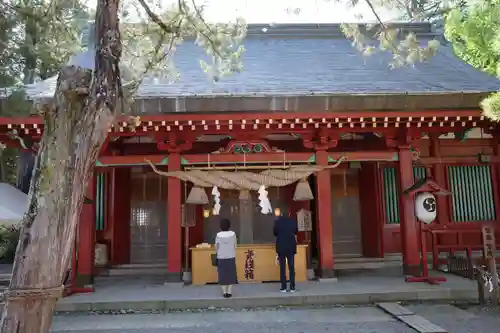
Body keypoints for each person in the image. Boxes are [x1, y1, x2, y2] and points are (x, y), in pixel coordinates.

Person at [273, 212, 298, 292]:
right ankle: (292, 287)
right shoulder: (293, 221)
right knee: (291, 267)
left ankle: (283, 287)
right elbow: (296, 231)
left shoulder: (277, 222)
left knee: (282, 268)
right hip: (291, 246)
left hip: (281, 246)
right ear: (289, 214)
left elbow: (275, 233)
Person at [215, 218, 237, 298]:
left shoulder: (218, 235)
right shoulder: (233, 234)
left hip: (221, 257)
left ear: (221, 226)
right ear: (229, 226)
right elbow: (235, 245)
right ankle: (229, 292)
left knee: (222, 275)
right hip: (231, 256)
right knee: (231, 275)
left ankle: (224, 292)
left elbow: (216, 247)